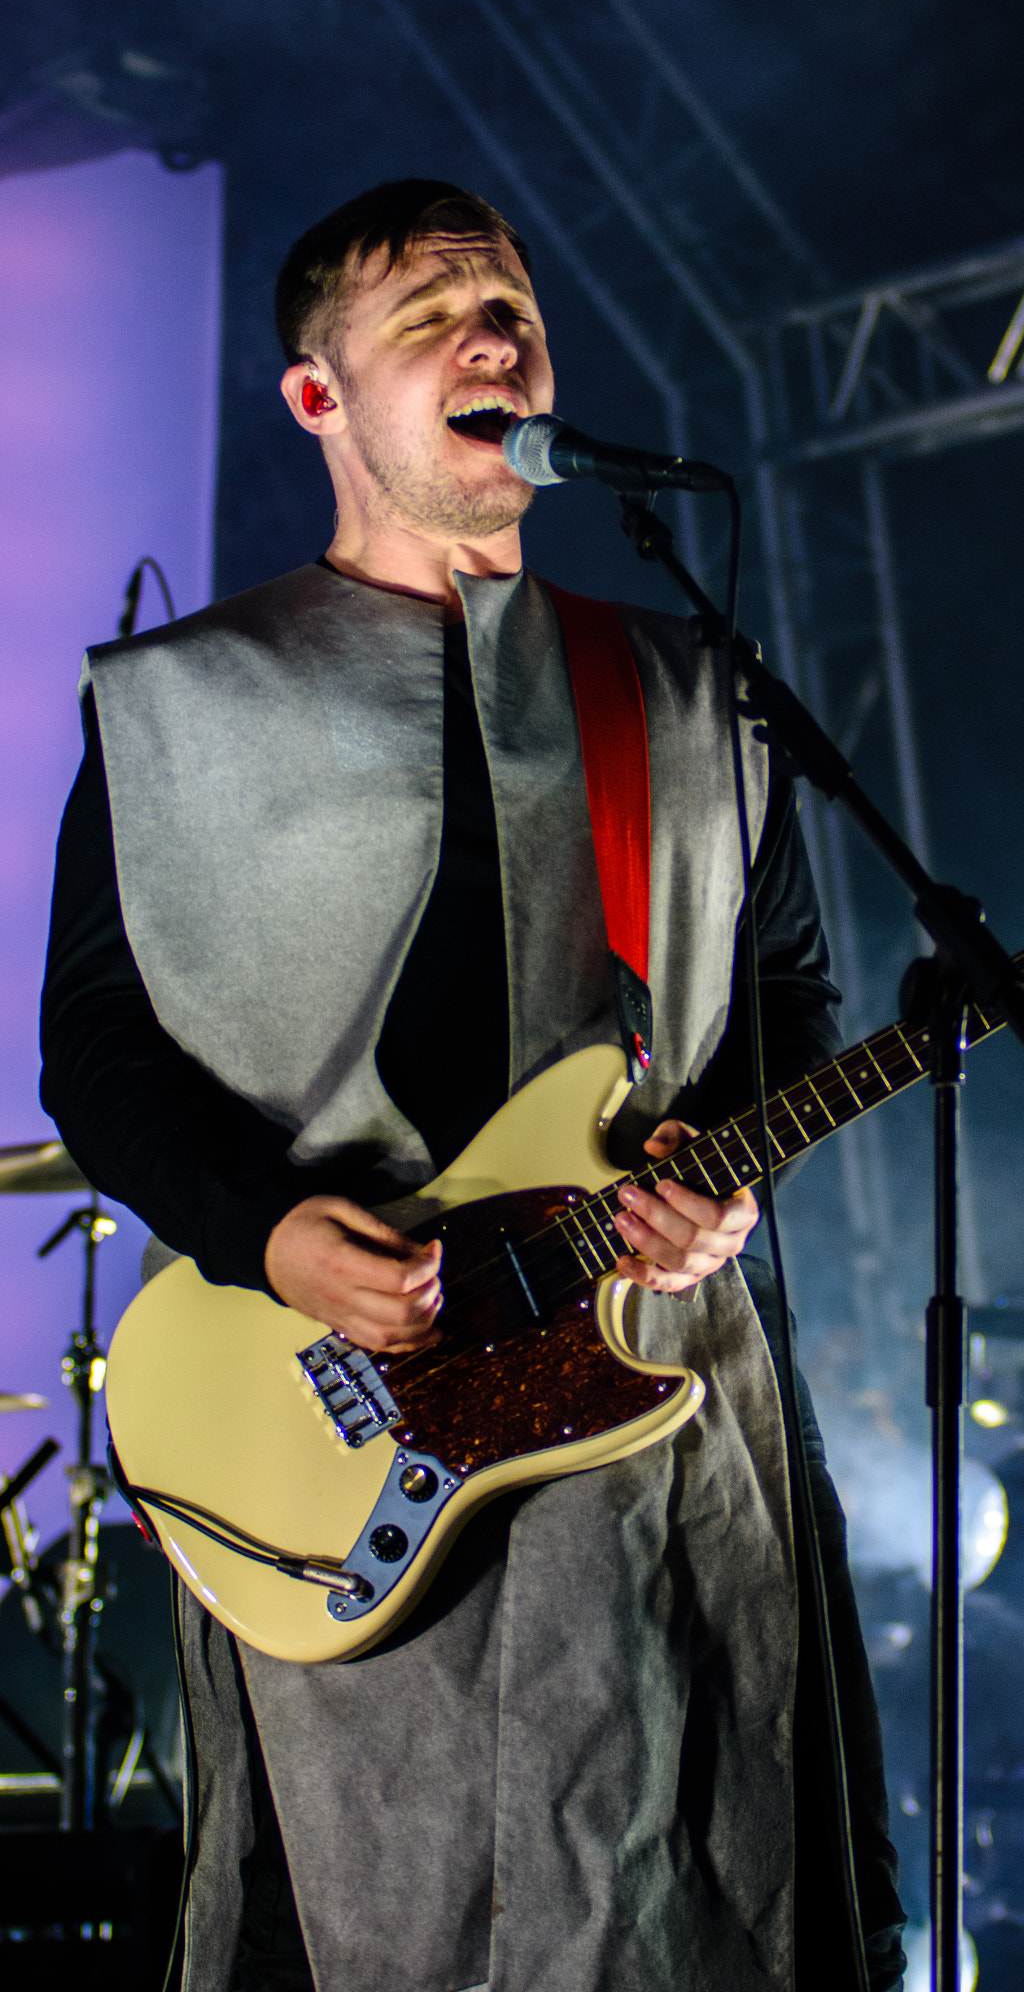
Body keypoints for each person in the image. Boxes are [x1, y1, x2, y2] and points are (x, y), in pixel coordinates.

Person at [39, 180, 905, 1992]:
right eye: (432, 307)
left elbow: (794, 992)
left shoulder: (687, 685)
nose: (493, 331)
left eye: (510, 300)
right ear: (317, 399)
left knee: (685, 1903)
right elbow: (96, 1055)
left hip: (652, 1395)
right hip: (348, 1412)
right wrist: (269, 1234)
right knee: (389, 1915)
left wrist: (726, 1166)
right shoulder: (181, 710)